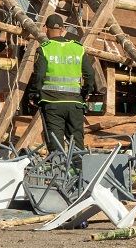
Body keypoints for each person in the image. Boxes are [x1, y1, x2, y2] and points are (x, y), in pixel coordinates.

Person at [29, 13, 95, 157]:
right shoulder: (78, 48)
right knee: (77, 145)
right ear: (63, 29)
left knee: (56, 147)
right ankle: (80, 176)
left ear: (46, 29)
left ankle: (59, 177)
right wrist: (85, 94)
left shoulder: (45, 49)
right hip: (75, 104)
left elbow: (39, 75)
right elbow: (90, 74)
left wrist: (33, 94)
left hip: (51, 103)